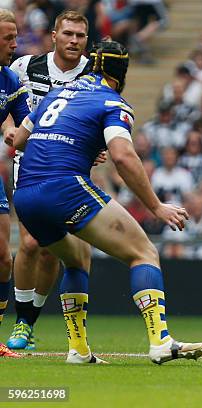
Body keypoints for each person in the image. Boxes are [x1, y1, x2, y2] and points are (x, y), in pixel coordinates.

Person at [9, 40, 202, 364]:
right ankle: (160, 340)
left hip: (27, 195)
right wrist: (156, 206)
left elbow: (18, 139)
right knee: (143, 252)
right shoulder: (111, 101)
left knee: (76, 258)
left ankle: (78, 349)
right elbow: (122, 156)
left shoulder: (56, 94)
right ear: (122, 74)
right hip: (65, 187)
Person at [2, 10, 91, 352]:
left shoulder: (92, 75)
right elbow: (5, 100)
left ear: (86, 41)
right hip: (30, 162)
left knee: (52, 249)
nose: (73, 40)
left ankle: (31, 318)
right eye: (67, 33)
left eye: (80, 36)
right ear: (54, 35)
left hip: (71, 165)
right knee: (28, 244)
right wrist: (10, 129)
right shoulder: (25, 67)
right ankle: (22, 321)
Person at [0, 9, 31, 358]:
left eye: (15, 36)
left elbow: (28, 129)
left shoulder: (9, 80)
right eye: (8, 37)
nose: (14, 43)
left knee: (2, 258)